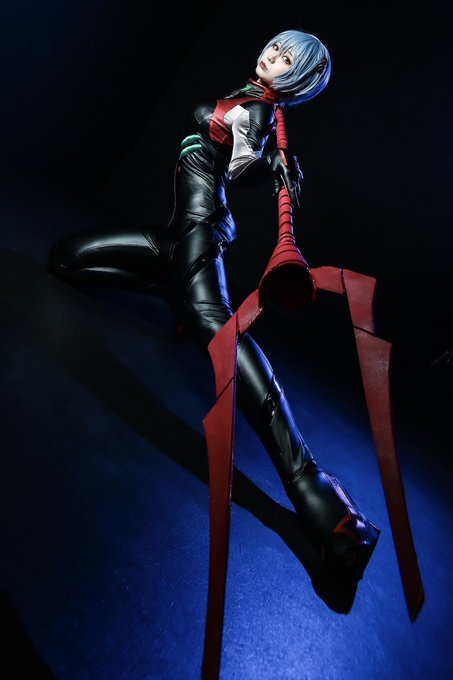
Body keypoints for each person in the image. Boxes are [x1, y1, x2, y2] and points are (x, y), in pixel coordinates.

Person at [48, 29, 379, 581]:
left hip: (198, 236)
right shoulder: (253, 104)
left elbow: (239, 167)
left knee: (220, 333)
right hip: (174, 240)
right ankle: (173, 290)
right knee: (66, 259)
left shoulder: (260, 112)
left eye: (286, 58)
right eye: (274, 47)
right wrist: (267, 157)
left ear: (299, 77)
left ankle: (313, 488)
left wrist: (267, 161)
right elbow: (241, 159)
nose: (271, 57)